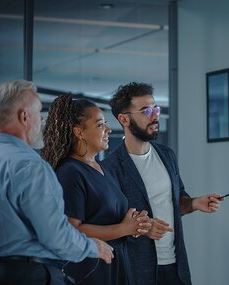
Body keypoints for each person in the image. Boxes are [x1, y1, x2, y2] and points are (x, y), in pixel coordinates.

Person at [0, 80, 114, 285]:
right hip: (33, 275)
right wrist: (94, 247)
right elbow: (56, 236)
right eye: (39, 112)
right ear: (24, 117)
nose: (41, 121)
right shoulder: (31, 167)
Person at [102, 82, 222, 285]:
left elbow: (177, 201)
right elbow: (110, 224)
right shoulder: (110, 168)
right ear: (124, 119)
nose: (155, 116)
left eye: (155, 109)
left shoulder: (167, 156)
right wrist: (143, 228)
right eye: (146, 111)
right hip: (137, 270)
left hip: (176, 267)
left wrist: (193, 203)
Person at [41, 95, 152, 285]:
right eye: (100, 125)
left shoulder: (104, 169)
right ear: (79, 132)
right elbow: (71, 229)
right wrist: (122, 228)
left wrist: (137, 225)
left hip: (117, 265)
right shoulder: (69, 172)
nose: (108, 129)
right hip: (90, 270)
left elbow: (110, 218)